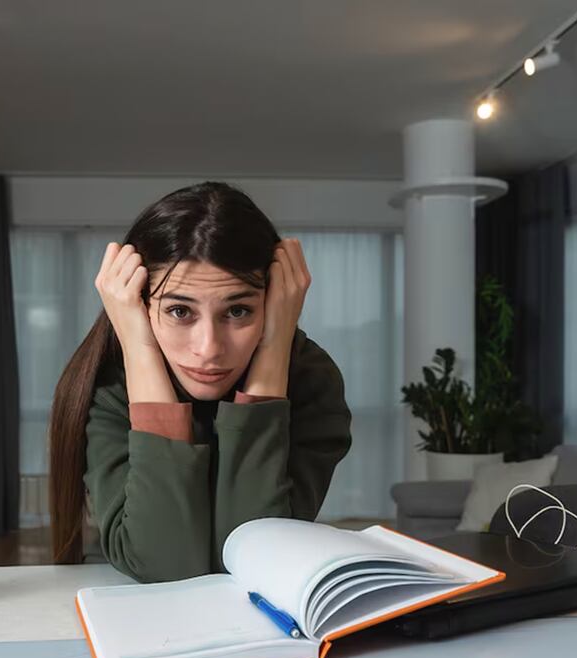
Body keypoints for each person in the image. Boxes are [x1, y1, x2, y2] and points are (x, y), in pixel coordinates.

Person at [49, 181, 352, 583]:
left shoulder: (310, 379)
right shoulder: (108, 386)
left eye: (239, 311)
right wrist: (138, 347)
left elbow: (255, 558)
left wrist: (274, 348)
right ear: (138, 305)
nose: (209, 348)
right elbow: (162, 565)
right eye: (179, 311)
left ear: (275, 303)